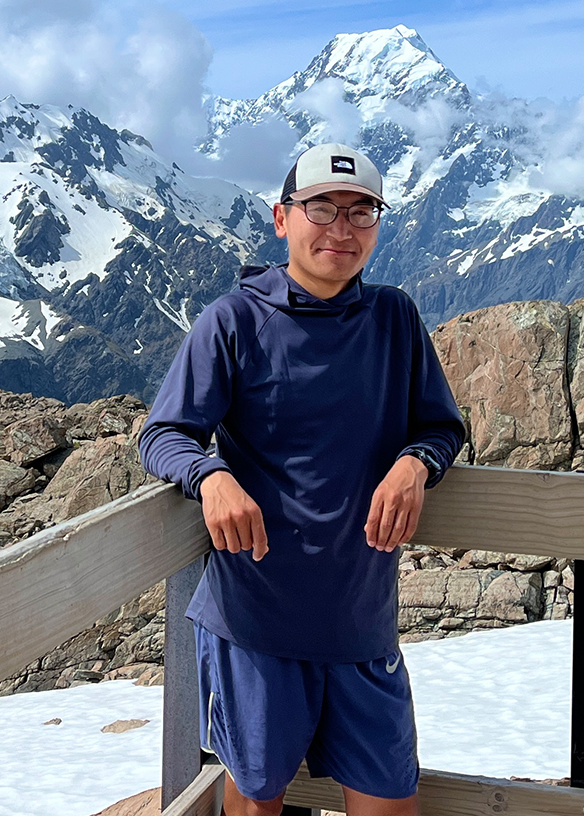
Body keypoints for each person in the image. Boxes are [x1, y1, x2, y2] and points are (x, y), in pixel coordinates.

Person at [138, 143, 466, 816]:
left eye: (361, 212)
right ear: (282, 218)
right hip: (256, 624)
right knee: (257, 803)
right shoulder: (233, 321)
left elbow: (442, 426)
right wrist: (210, 476)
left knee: (391, 804)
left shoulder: (395, 319)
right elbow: (163, 433)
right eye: (322, 208)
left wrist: (415, 464)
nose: (342, 229)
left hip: (362, 625)